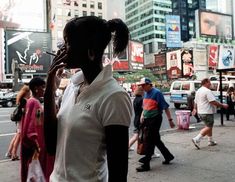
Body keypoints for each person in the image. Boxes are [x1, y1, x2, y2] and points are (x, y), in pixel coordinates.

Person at [44, 16, 133, 182]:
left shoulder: (114, 97)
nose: (61, 49)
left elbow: (118, 173)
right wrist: (49, 88)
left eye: (68, 43)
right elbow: (51, 146)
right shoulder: (72, 87)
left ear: (90, 50)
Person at [136, 78, 175, 172]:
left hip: (155, 119)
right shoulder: (145, 93)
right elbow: (144, 107)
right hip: (147, 119)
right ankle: (168, 156)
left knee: (149, 140)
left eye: (144, 85)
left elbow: (165, 107)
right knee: (156, 140)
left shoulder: (157, 93)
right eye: (141, 85)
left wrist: (170, 120)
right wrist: (142, 115)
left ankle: (146, 163)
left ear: (149, 84)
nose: (142, 87)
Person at [21, 77, 54, 182]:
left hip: (31, 144)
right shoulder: (35, 103)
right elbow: (33, 125)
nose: (44, 90)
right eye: (42, 87)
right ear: (36, 88)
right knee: (36, 171)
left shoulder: (29, 101)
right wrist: (36, 143)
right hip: (37, 144)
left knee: (32, 170)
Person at [192, 78, 228, 149]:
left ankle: (210, 141)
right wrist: (223, 105)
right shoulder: (207, 91)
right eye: (209, 83)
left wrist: (195, 108)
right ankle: (197, 139)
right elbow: (212, 101)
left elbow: (195, 101)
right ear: (205, 83)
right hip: (207, 111)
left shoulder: (198, 91)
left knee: (208, 126)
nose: (210, 84)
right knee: (209, 127)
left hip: (201, 112)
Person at [5, 84, 30, 161]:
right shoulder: (25, 101)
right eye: (29, 92)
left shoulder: (21, 99)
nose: (30, 94)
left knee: (16, 137)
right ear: (26, 92)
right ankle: (14, 154)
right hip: (22, 121)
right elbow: (25, 112)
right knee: (18, 138)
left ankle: (9, 152)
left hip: (19, 121)